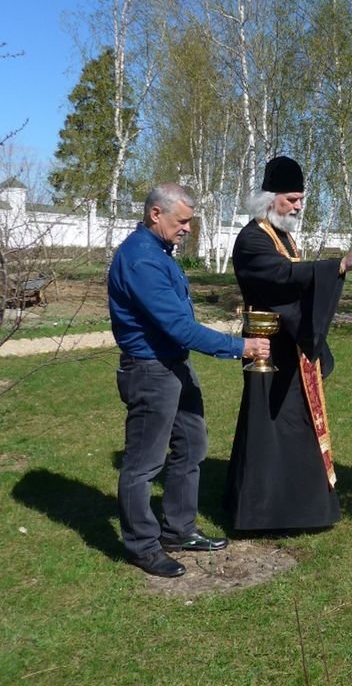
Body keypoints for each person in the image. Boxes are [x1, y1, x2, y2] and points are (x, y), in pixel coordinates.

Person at [108, 183, 271, 578]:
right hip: (150, 371)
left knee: (192, 446)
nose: (186, 228)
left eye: (189, 222)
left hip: (173, 365)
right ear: (155, 214)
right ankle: (142, 546)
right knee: (144, 465)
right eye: (181, 221)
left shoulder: (160, 253)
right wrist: (240, 346)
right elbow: (179, 327)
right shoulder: (141, 260)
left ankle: (179, 530)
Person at [224, 156, 352, 531]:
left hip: (288, 347)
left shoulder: (282, 234)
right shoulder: (252, 239)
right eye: (292, 199)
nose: (298, 206)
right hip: (267, 350)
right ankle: (266, 511)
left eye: (300, 199)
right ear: (269, 197)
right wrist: (337, 265)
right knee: (270, 426)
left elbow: (294, 282)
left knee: (294, 424)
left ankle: (295, 504)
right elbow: (283, 276)